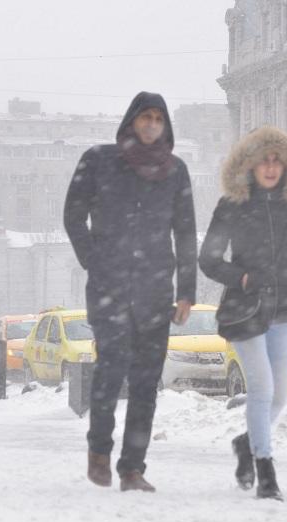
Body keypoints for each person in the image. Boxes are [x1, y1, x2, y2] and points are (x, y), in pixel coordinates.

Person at [64, 91, 198, 493]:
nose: (152, 124)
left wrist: (186, 291)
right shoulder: (99, 160)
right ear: (131, 121)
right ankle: (99, 452)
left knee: (145, 384)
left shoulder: (175, 171)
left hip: (155, 292)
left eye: (158, 118)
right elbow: (73, 214)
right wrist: (95, 260)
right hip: (110, 289)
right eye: (145, 117)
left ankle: (132, 469)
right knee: (110, 371)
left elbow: (185, 232)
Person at [198, 127, 287, 500]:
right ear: (249, 165)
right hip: (245, 310)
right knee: (261, 389)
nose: (271, 168)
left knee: (279, 398)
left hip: (286, 311)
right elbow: (208, 258)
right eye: (263, 161)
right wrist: (241, 278)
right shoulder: (232, 204)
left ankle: (246, 442)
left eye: (277, 161)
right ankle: (266, 472)